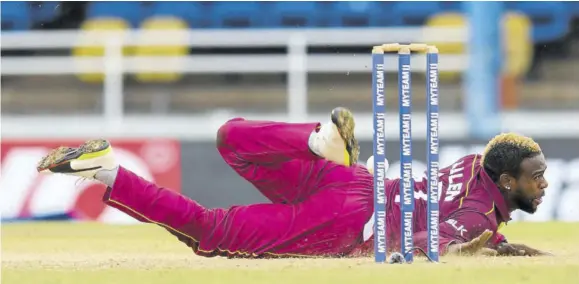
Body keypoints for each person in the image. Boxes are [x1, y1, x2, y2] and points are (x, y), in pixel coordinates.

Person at [36, 107, 548, 259]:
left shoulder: (469, 171)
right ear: (505, 179)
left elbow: (462, 223)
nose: (544, 183)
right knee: (213, 231)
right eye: (536, 175)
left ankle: (316, 139)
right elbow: (427, 242)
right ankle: (107, 171)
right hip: (349, 223)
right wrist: (467, 252)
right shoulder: (477, 216)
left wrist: (504, 248)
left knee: (232, 139)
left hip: (353, 178)